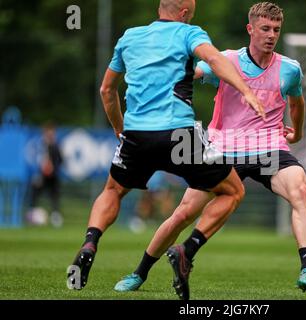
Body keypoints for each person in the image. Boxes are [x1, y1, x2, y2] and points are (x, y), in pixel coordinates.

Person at [114, 2, 306, 297]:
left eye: (276, 29)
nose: (271, 35)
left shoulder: (290, 69)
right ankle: (139, 273)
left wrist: (296, 131)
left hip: (268, 148)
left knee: (300, 190)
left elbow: (297, 103)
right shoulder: (225, 60)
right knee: (183, 213)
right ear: (250, 29)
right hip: (223, 147)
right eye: (264, 29)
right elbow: (186, 74)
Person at [67, 0, 265, 295]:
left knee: (112, 191)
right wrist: (246, 89)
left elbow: (106, 90)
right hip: (179, 135)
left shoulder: (129, 36)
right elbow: (213, 59)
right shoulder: (189, 33)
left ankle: (90, 241)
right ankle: (188, 248)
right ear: (184, 14)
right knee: (233, 191)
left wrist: (120, 129)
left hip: (137, 136)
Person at [28, 122, 64, 227]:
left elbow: (61, 160)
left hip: (53, 176)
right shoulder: (40, 146)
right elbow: (35, 160)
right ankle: (32, 215)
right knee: (35, 193)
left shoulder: (56, 146)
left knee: (55, 196)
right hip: (42, 176)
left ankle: (55, 217)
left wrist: (53, 168)